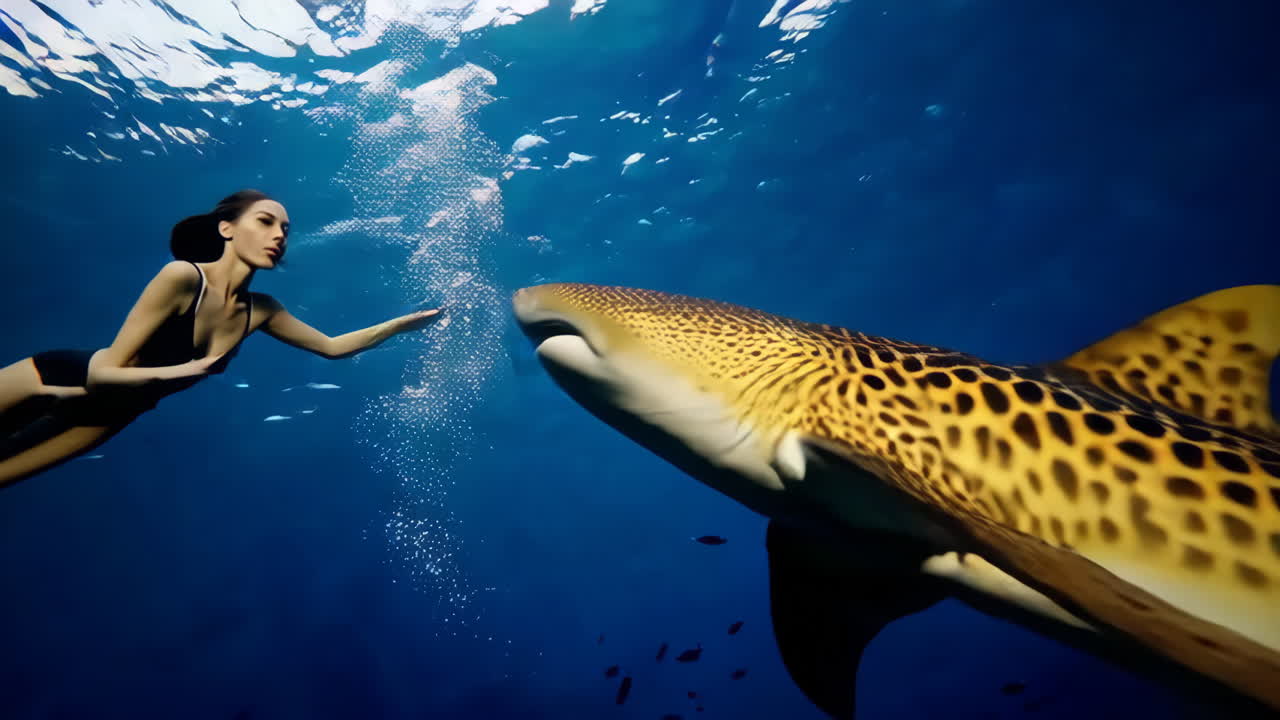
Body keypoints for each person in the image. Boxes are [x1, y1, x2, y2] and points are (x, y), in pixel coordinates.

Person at [0, 189, 441, 488]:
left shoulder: (262, 310)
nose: (278, 236)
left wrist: (399, 326)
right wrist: (187, 370)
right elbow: (104, 372)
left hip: (107, 419)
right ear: (226, 228)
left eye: (285, 230)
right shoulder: (182, 278)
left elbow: (331, 347)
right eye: (266, 222)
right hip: (51, 378)